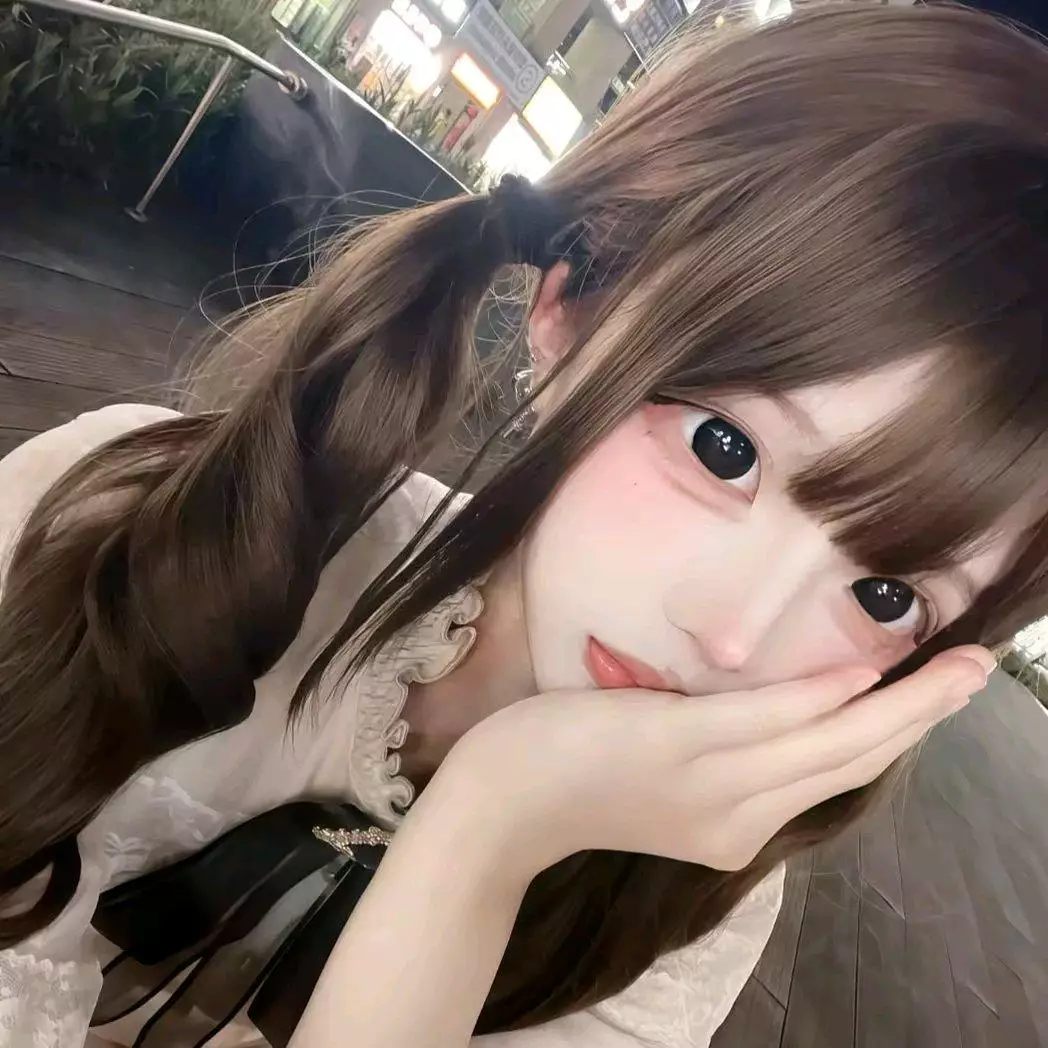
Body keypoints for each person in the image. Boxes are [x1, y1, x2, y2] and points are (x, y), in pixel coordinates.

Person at [1, 3, 1047, 1046]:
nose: (735, 637)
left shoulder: (694, 904)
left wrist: (493, 832)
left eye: (886, 595)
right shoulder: (135, 524)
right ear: (568, 308)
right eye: (724, 449)